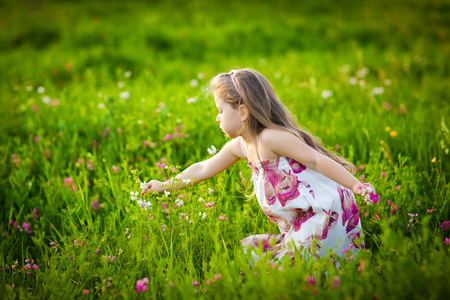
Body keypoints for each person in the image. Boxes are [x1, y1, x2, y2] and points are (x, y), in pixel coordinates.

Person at [141, 68, 376, 261]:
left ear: (242, 112)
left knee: (298, 271)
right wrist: (165, 185)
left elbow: (315, 159)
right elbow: (203, 168)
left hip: (324, 215)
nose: (217, 117)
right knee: (252, 255)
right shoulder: (242, 146)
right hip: (300, 222)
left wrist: (356, 185)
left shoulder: (271, 138)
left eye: (220, 110)